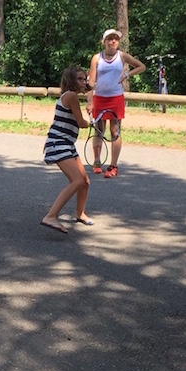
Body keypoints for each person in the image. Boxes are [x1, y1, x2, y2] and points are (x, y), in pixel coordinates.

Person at [41, 66, 93, 234]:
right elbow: (80, 122)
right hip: (59, 143)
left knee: (84, 181)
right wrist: (90, 122)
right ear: (70, 80)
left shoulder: (69, 96)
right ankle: (51, 216)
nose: (83, 82)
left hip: (66, 143)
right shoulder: (71, 96)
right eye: (79, 79)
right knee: (77, 181)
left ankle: (80, 213)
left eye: (84, 79)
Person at [87, 28, 145, 178]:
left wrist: (127, 74)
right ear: (104, 42)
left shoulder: (122, 56)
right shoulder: (97, 58)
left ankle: (113, 166)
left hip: (116, 98)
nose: (113, 41)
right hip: (100, 98)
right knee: (99, 130)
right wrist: (90, 101)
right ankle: (97, 162)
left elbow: (141, 66)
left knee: (115, 131)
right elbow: (91, 82)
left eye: (116, 39)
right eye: (110, 39)